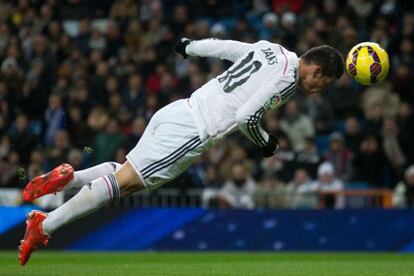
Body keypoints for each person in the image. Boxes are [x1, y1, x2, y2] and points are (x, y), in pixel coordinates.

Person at [18, 38, 344, 265]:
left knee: (124, 170)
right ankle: (44, 226)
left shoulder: (273, 50)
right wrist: (266, 142)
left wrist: (190, 47)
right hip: (194, 131)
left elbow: (227, 48)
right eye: (324, 84)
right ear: (317, 71)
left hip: (180, 109)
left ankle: (71, 178)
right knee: (127, 183)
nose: (318, 90)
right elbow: (247, 116)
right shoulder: (288, 81)